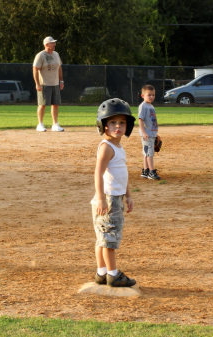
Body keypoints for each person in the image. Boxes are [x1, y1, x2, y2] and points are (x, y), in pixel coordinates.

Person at [92, 98, 136, 287]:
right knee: (109, 238)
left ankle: (101, 273)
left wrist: (128, 195)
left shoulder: (118, 146)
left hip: (114, 198)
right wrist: (101, 198)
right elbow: (98, 172)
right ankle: (113, 274)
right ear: (104, 125)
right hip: (108, 200)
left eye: (122, 122)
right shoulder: (107, 147)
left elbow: (122, 173)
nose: (118, 126)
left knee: (103, 237)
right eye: (112, 122)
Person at [33, 36, 65, 132]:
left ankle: (55, 124)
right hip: (44, 84)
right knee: (42, 104)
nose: (54, 44)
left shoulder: (56, 54)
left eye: (54, 43)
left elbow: (59, 67)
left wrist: (61, 80)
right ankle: (40, 124)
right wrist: (37, 83)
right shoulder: (40, 55)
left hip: (55, 83)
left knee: (55, 104)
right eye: (52, 43)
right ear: (46, 44)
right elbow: (35, 69)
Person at [138, 84, 160, 180]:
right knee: (149, 153)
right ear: (143, 96)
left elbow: (152, 121)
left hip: (151, 133)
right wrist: (144, 132)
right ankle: (151, 172)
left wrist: (155, 133)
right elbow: (140, 120)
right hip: (146, 134)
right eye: (149, 95)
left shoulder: (151, 106)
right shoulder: (143, 106)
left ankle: (145, 171)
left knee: (146, 152)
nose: (151, 97)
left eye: (153, 95)